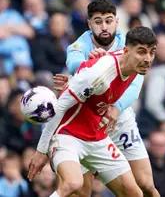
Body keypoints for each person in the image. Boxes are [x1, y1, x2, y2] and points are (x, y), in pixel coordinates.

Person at [27, 26, 157, 197]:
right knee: (73, 184)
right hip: (68, 135)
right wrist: (41, 151)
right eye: (141, 52)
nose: (148, 59)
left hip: (97, 137)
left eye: (152, 52)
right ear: (126, 51)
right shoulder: (101, 74)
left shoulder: (135, 67)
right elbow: (59, 106)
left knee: (135, 194)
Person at [61, 0, 159, 197]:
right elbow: (74, 65)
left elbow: (136, 81)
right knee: (81, 191)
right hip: (88, 121)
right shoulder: (79, 45)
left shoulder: (129, 44)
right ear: (89, 24)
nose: (104, 27)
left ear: (116, 21)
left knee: (146, 184)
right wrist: (92, 64)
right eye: (98, 22)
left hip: (120, 119)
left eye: (108, 20)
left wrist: (118, 107)